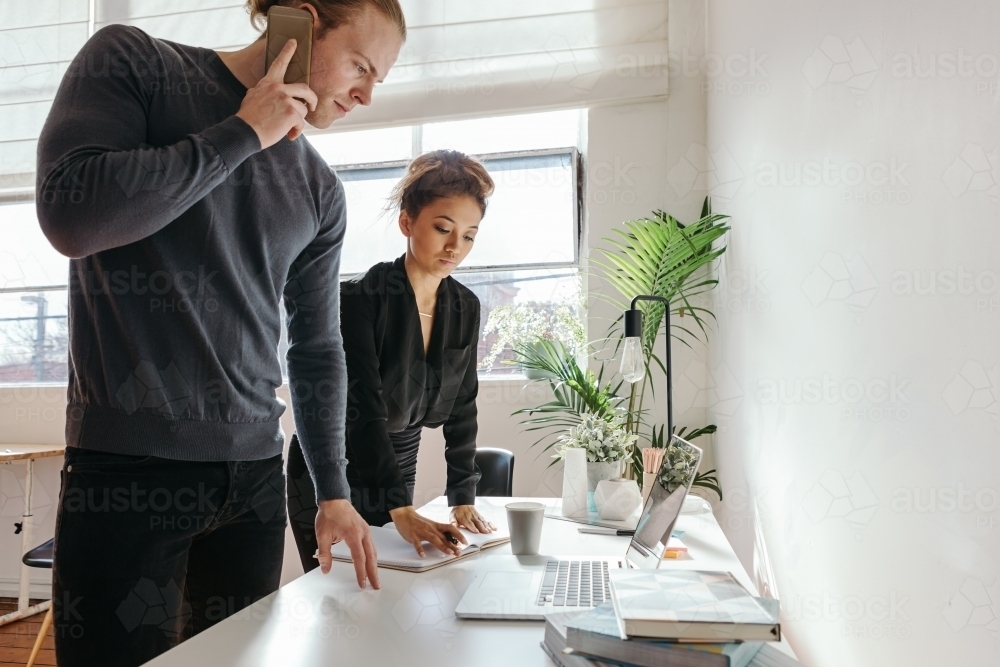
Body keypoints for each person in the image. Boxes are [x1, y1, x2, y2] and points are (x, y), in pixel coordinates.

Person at [35, 1, 404, 664]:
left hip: (253, 484)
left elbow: (317, 348)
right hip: (128, 471)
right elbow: (72, 216)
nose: (366, 95)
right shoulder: (135, 63)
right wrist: (241, 133)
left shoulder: (320, 189)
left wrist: (335, 492)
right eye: (360, 66)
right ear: (305, 21)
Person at [287, 150, 497, 569]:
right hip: (339, 467)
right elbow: (362, 407)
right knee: (338, 594)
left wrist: (462, 495)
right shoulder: (359, 300)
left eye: (469, 235)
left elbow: (463, 404)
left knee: (394, 587)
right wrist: (398, 507)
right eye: (443, 228)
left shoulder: (465, 307)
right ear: (407, 223)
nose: (456, 246)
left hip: (399, 462)